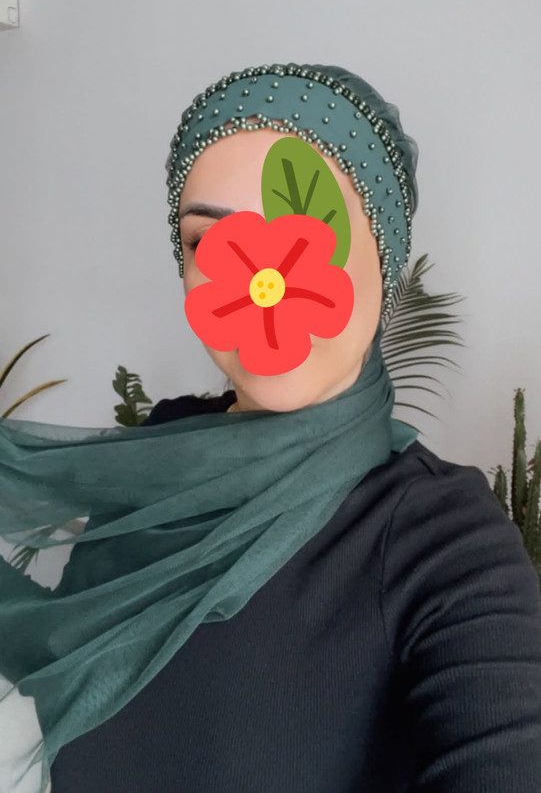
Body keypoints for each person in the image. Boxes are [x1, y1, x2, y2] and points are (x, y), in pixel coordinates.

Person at [1, 62, 541, 793]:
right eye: (208, 242)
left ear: (384, 261)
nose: (264, 281)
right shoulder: (156, 467)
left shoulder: (442, 539)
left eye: (307, 228)